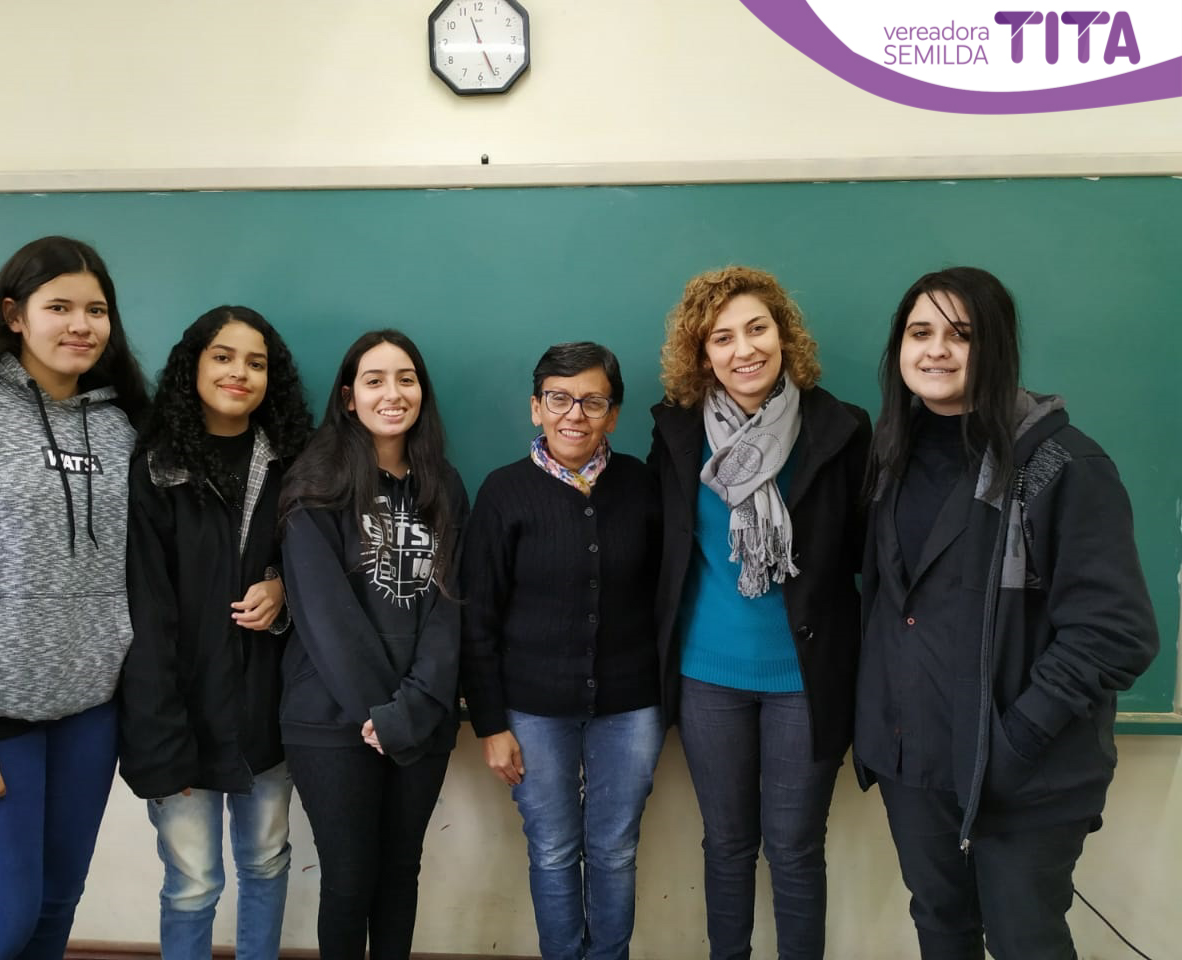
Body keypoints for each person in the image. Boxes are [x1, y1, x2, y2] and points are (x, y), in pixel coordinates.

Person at [853, 265, 1158, 960]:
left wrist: (1016, 739)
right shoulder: (889, 458)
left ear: (996, 346)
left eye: (961, 334)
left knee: (1026, 942)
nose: (936, 350)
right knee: (940, 927)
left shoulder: (1062, 465)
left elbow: (1116, 631)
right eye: (919, 333)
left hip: (1025, 772)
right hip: (913, 760)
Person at [0, 236, 148, 959]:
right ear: (14, 315)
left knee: (53, 910)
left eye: (96, 310)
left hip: (90, 711)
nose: (82, 325)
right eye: (59, 307)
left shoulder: (125, 422)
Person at [649, 266, 870, 960]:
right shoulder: (678, 432)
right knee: (727, 844)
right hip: (707, 675)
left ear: (783, 335)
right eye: (722, 337)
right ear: (701, 354)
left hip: (805, 677)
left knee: (796, 848)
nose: (744, 349)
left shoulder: (839, 428)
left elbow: (864, 552)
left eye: (757, 328)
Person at [118, 306, 313, 958]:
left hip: (267, 710)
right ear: (193, 367)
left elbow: (320, 563)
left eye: (256, 363)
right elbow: (143, 611)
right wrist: (158, 739)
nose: (240, 373)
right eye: (223, 357)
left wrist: (282, 587)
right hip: (179, 713)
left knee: (266, 861)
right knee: (193, 883)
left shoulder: (292, 462)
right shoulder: (156, 467)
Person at [461, 342, 663, 960]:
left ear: (613, 414)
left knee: (615, 849)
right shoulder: (503, 492)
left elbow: (668, 593)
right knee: (551, 849)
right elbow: (477, 616)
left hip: (630, 705)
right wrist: (490, 724)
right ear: (536, 407)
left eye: (593, 401)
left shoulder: (642, 486)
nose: (575, 414)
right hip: (532, 709)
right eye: (559, 398)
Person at [277, 329, 467, 960]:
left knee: (399, 873)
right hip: (332, 719)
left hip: (422, 715)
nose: (393, 393)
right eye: (375, 380)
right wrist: (381, 713)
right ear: (348, 397)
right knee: (349, 877)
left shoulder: (444, 486)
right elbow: (324, 615)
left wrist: (412, 709)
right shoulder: (315, 484)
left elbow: (449, 609)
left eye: (406, 379)